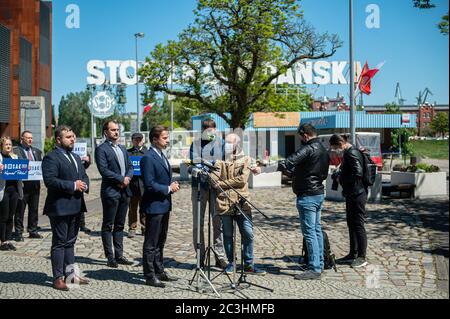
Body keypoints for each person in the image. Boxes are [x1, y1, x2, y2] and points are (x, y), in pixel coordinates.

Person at [278, 124, 329, 280]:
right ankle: (319, 263)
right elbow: (323, 174)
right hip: (319, 192)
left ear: (305, 135)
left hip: (307, 195)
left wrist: (284, 168)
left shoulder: (308, 148)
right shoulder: (323, 149)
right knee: (317, 230)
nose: (301, 140)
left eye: (301, 137)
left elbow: (287, 162)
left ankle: (314, 268)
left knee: (309, 233)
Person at [42, 126, 90, 291]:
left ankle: (71, 276)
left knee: (71, 242)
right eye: (68, 137)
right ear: (58, 140)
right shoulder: (51, 158)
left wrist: (85, 184)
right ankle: (57, 278)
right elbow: (50, 180)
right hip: (60, 207)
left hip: (76, 206)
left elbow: (83, 175)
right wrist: (72, 185)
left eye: (73, 136)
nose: (72, 139)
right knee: (60, 243)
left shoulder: (75, 157)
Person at [211, 133, 266, 276]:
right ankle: (231, 263)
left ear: (237, 144)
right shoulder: (219, 160)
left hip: (242, 202)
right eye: (226, 142)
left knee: (248, 233)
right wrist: (219, 183)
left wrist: (222, 183)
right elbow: (212, 178)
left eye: (231, 142)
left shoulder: (246, 159)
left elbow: (242, 180)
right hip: (224, 202)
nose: (228, 145)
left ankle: (249, 264)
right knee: (228, 235)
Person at [140, 126, 180, 288]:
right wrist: (168, 189)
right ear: (155, 139)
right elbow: (149, 184)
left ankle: (159, 269)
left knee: (161, 241)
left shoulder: (161, 155)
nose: (168, 140)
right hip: (154, 205)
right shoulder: (148, 158)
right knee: (151, 242)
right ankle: (149, 275)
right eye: (164, 137)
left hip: (164, 205)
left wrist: (170, 185)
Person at [95, 120, 134, 268]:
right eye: (113, 130)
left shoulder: (122, 148)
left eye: (117, 130)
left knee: (120, 225)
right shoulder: (101, 149)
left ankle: (119, 254)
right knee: (108, 225)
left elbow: (130, 166)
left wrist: (128, 178)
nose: (116, 132)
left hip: (125, 191)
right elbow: (104, 170)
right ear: (106, 132)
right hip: (111, 192)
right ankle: (110, 257)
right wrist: (121, 179)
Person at [189, 118, 227, 269]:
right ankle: (201, 255)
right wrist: (209, 165)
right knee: (198, 222)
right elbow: (195, 163)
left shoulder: (222, 144)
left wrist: (210, 166)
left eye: (213, 131)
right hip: (199, 187)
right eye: (207, 131)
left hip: (216, 187)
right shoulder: (196, 144)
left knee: (218, 222)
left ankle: (220, 256)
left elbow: (223, 165)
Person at [329, 134, 368, 268]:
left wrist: (341, 178)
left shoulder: (351, 153)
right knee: (351, 223)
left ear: (340, 143)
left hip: (357, 193)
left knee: (358, 224)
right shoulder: (350, 152)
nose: (335, 150)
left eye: (335, 148)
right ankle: (353, 253)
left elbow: (358, 173)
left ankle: (362, 256)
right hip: (352, 193)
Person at [13, 130, 43, 241]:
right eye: (28, 138)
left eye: (31, 138)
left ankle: (33, 230)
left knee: (34, 209)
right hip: (22, 185)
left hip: (35, 185)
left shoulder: (37, 152)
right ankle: (18, 232)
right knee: (20, 210)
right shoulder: (15, 151)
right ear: (22, 139)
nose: (30, 139)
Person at [0, 137, 23, 251]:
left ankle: (8, 240)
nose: (8, 146)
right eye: (6, 145)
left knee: (11, 216)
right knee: (3, 217)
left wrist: (25, 168)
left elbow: (19, 172)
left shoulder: (14, 157)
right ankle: (2, 241)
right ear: (2, 146)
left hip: (14, 191)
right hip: (3, 190)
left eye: (10, 144)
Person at [127, 132, 148, 238]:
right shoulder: (128, 153)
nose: (138, 141)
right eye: (136, 139)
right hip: (132, 185)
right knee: (132, 208)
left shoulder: (147, 153)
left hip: (145, 185)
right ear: (132, 141)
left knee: (144, 208)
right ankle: (132, 228)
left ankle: (145, 227)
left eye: (140, 139)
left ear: (143, 140)